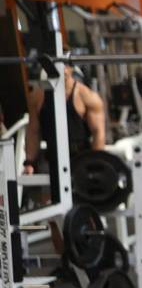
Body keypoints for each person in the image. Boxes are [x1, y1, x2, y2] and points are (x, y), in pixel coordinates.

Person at [23, 65, 107, 195]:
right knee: (51, 202)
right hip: (52, 158)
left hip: (81, 158)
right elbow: (33, 131)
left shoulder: (87, 96)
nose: (62, 71)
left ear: (71, 69)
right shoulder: (38, 96)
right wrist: (29, 162)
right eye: (56, 66)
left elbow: (98, 133)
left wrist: (95, 164)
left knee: (83, 203)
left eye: (65, 67)